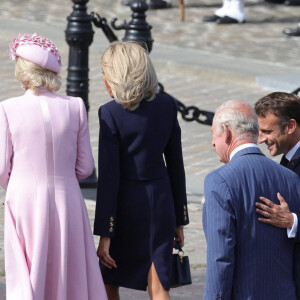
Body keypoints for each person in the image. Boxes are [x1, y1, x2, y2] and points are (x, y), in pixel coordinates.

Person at [0, 33, 108, 300]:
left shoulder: (7, 108)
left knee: (27, 273)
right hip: (66, 198)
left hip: (23, 198)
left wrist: (18, 183)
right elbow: (85, 168)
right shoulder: (75, 106)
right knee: (67, 271)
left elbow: (1, 168)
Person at [93, 41, 189, 300]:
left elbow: (109, 178)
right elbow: (176, 165)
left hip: (124, 207)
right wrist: (180, 218)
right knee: (159, 286)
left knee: (109, 279)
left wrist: (105, 232)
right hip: (160, 202)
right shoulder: (167, 106)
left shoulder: (109, 113)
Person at [203, 100, 300, 299]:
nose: (213, 143)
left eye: (215, 135)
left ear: (226, 132)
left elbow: (220, 258)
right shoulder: (290, 177)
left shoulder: (218, 182)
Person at [254, 92, 300, 242]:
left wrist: (292, 222)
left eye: (267, 132)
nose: (260, 140)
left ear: (290, 126)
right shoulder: (289, 158)